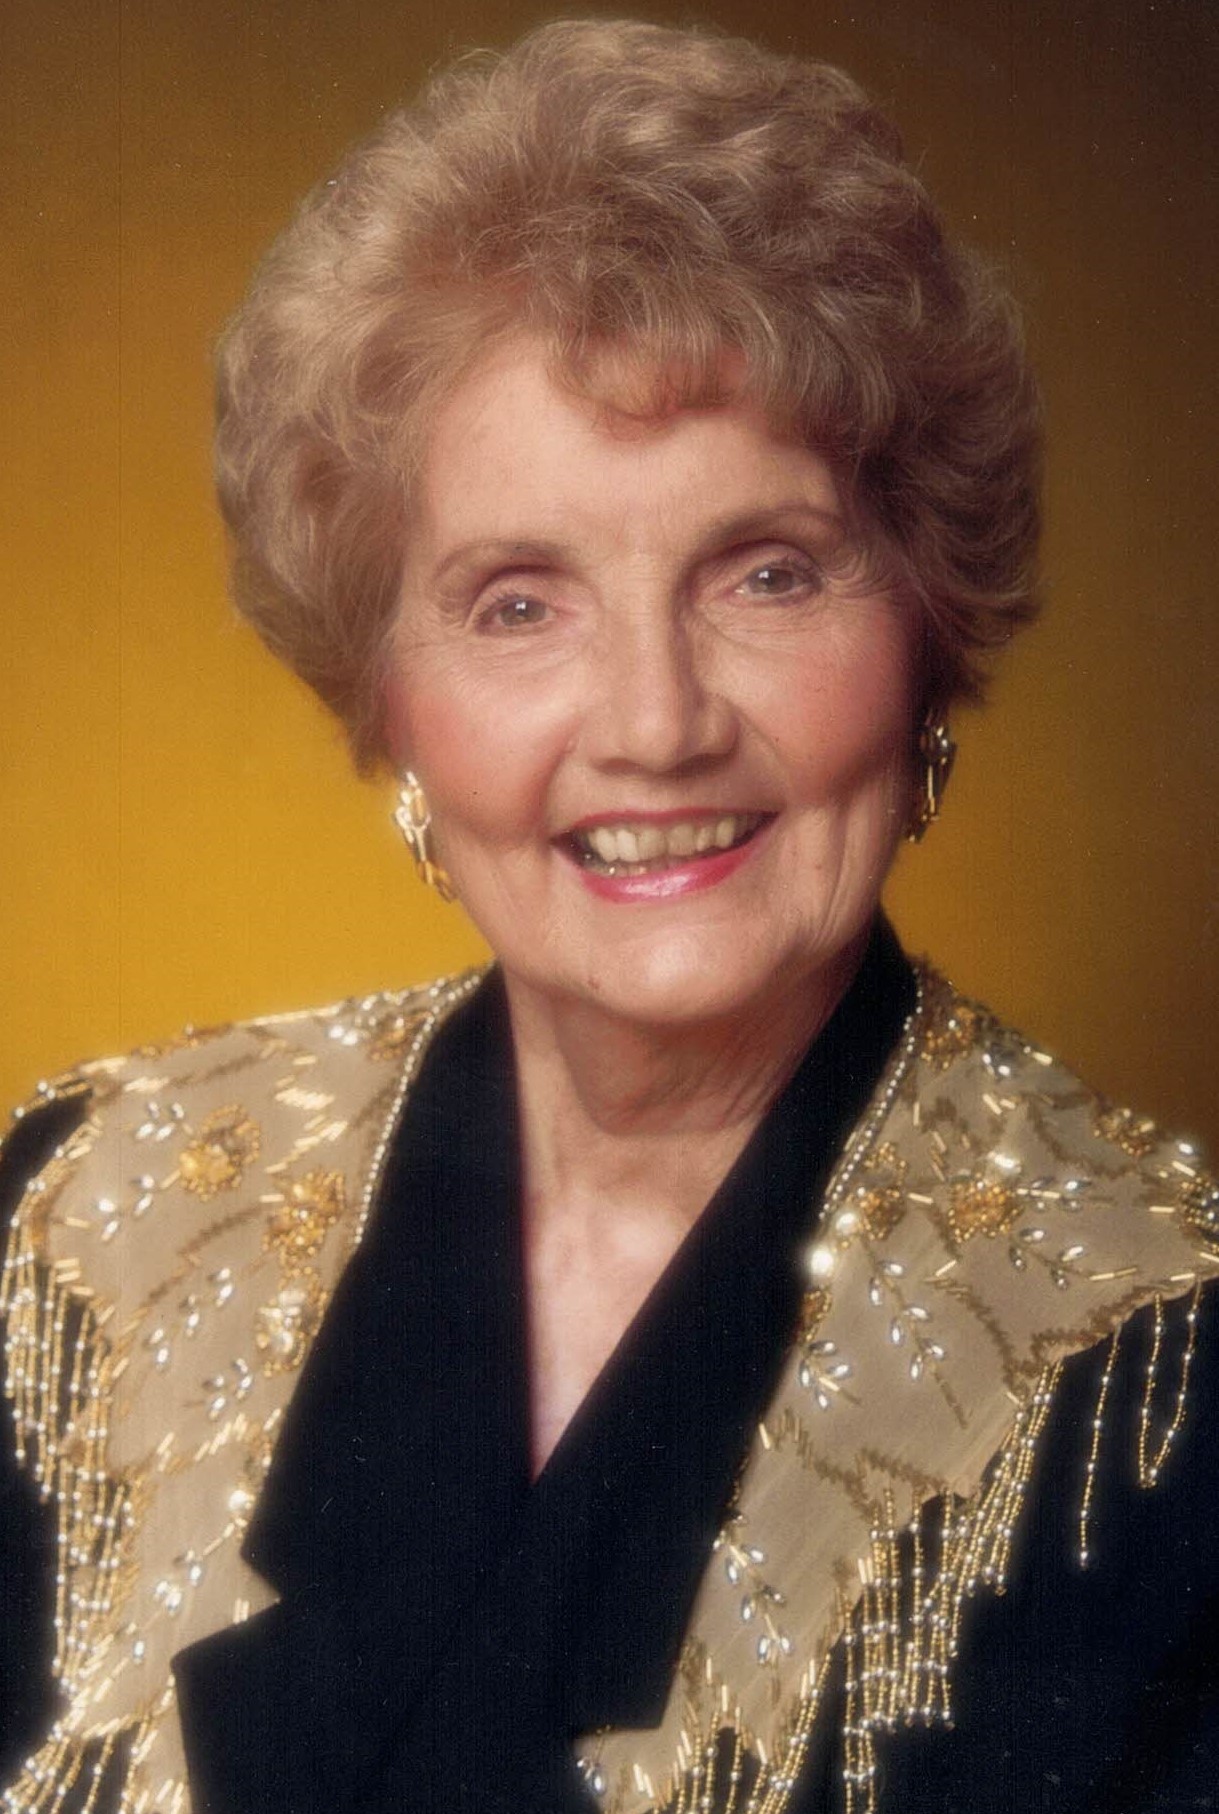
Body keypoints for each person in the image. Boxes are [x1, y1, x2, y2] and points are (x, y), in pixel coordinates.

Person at [1, 18, 1216, 1814]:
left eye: (767, 572)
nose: (655, 722)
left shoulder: (1164, 1384)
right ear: (390, 697)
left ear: (924, 632)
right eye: (518, 601)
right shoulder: (94, 1226)